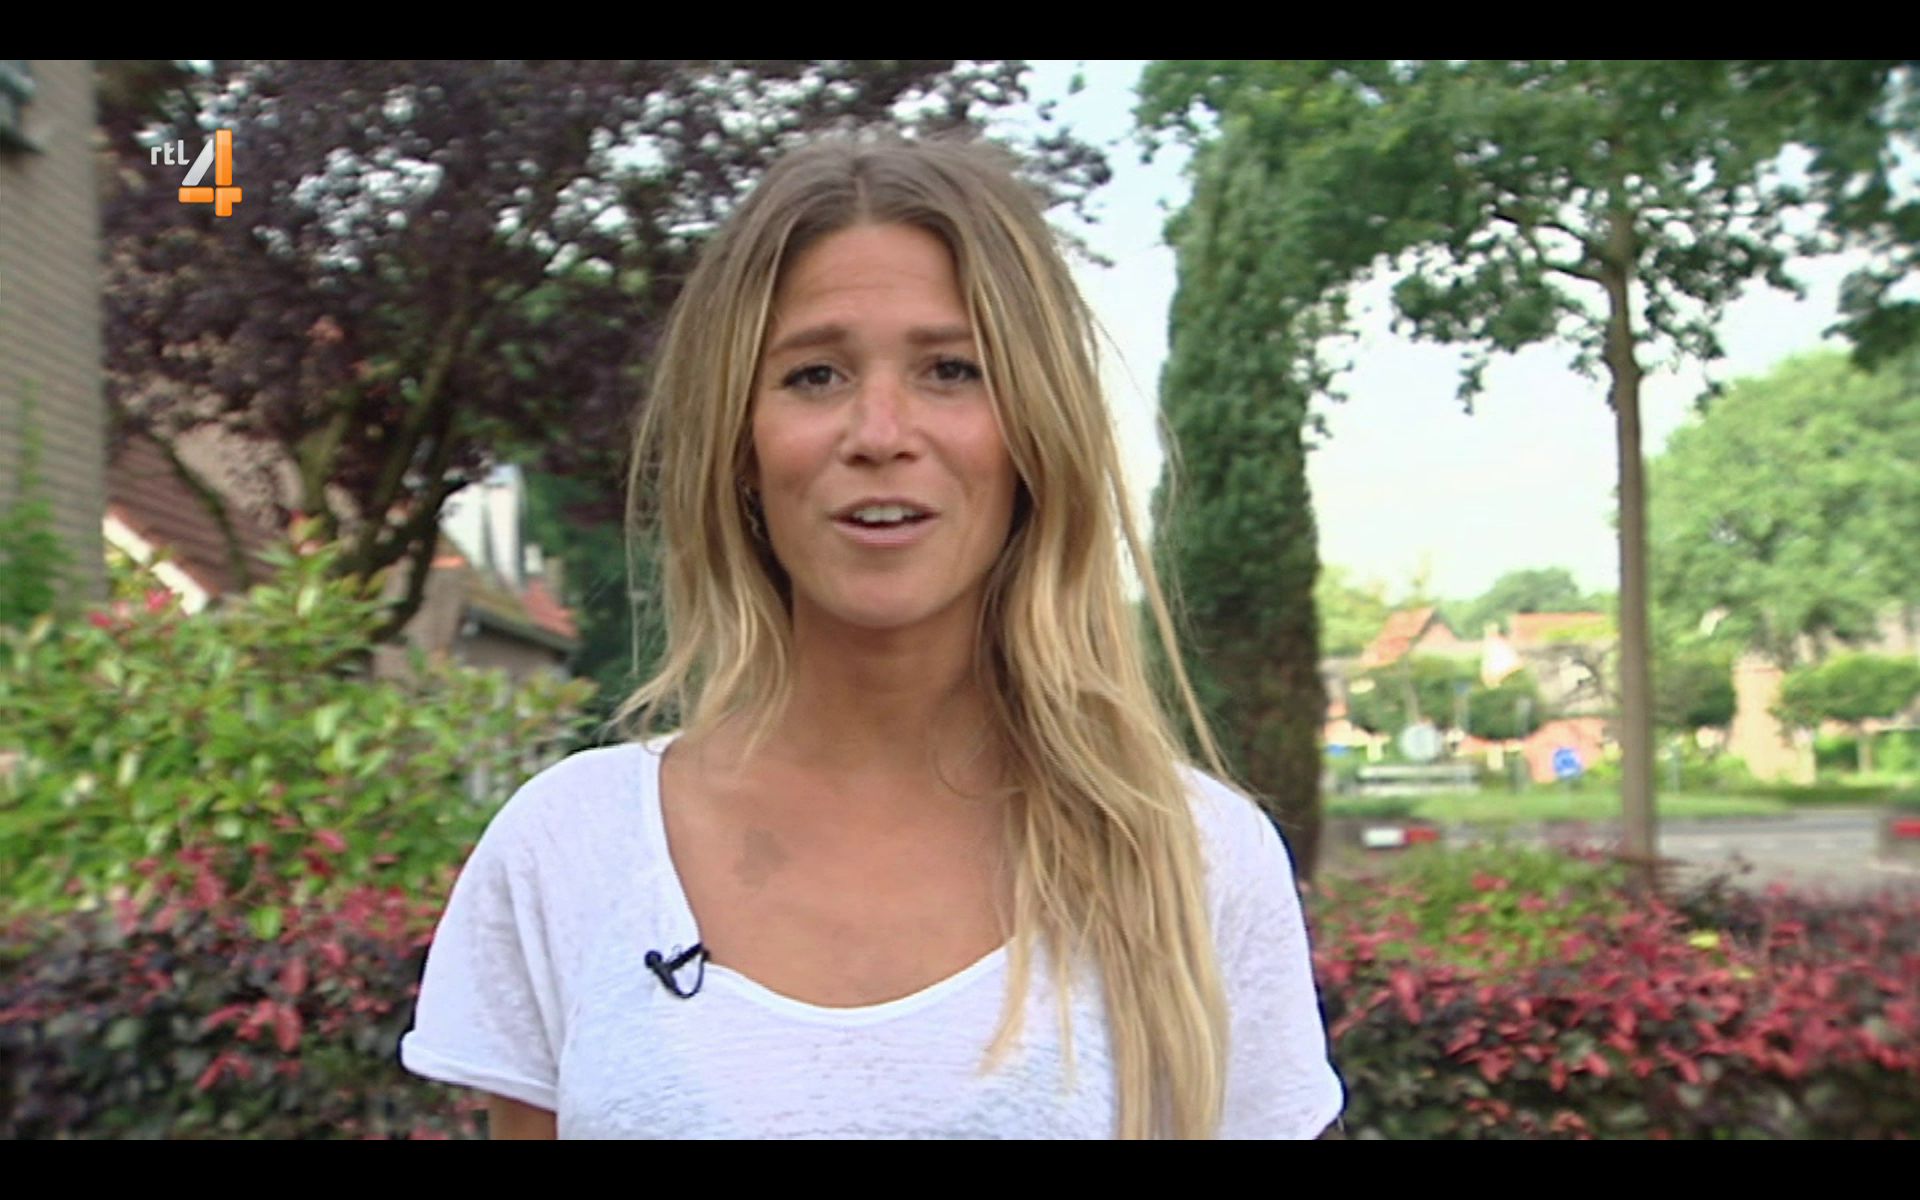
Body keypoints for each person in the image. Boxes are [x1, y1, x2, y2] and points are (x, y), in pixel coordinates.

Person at [398, 130, 1345, 1140]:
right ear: (741, 442)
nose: (881, 433)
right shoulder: (569, 847)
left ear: (1035, 434)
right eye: (816, 375)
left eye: (952, 369)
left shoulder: (1195, 861)